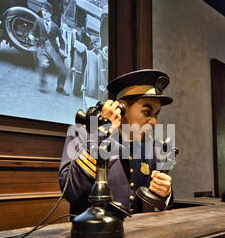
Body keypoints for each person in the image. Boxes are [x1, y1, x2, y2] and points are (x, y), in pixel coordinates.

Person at [59, 69, 175, 216]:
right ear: (121, 108)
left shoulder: (149, 147)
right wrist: (101, 134)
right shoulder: (83, 134)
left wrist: (165, 192)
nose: (154, 122)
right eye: (147, 112)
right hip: (94, 234)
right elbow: (71, 191)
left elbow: (159, 200)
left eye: (156, 114)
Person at [29, 1, 68, 95]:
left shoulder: (55, 26)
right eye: (42, 10)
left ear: (50, 13)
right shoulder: (38, 21)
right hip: (42, 47)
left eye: (46, 11)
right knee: (43, 65)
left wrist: (62, 50)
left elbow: (62, 40)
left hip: (53, 49)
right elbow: (33, 31)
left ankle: (60, 87)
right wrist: (31, 36)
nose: (44, 13)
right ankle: (43, 83)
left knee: (62, 70)